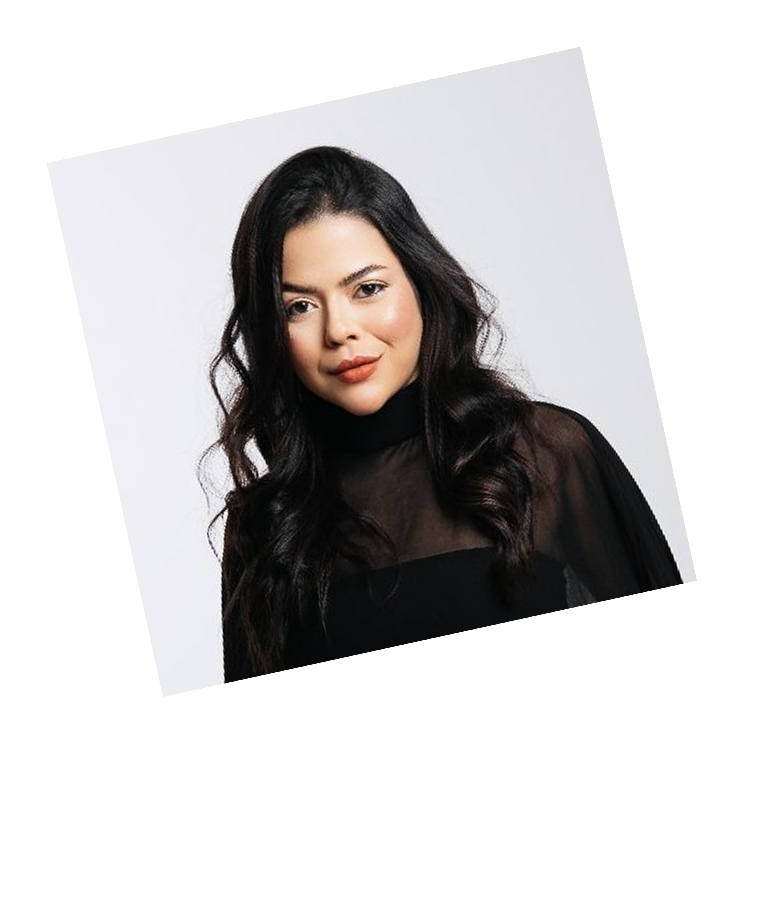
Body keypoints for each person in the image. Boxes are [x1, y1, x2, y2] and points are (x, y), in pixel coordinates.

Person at [209, 146, 682, 682]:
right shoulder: (265, 523)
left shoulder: (546, 454)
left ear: (421, 282)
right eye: (299, 306)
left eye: (368, 289)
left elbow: (675, 677)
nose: (338, 329)